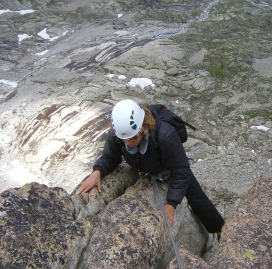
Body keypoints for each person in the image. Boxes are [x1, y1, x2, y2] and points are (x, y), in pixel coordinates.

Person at [77, 99, 224, 234]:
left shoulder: (166, 136)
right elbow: (110, 156)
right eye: (124, 139)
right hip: (147, 165)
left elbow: (181, 171)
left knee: (197, 198)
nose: (128, 143)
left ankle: (219, 230)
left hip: (169, 168)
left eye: (133, 138)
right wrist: (98, 171)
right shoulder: (120, 133)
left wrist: (171, 203)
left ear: (143, 128)